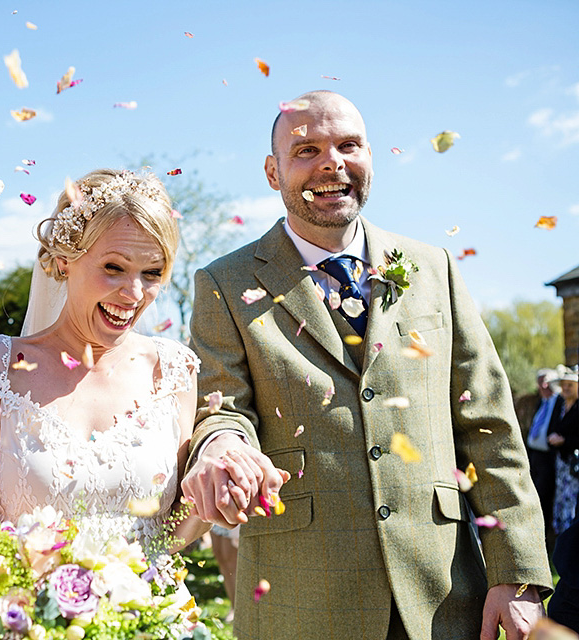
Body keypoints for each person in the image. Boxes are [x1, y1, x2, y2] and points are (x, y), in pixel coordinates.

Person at [181, 91, 552, 640]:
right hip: (299, 600)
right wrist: (222, 446)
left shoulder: (435, 269)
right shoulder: (225, 284)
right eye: (306, 149)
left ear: (370, 157)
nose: (331, 162)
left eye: (347, 145)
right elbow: (220, 409)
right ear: (271, 170)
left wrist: (517, 576)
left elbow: (489, 425)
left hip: (445, 596)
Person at [0, 169, 214, 571]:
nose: (135, 293)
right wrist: (6, 606)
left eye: (152, 272)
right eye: (113, 267)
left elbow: (176, 530)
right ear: (64, 260)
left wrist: (211, 498)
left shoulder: (174, 371)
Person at [517, 368, 561, 549]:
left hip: (549, 459)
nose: (544, 385)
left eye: (548, 381)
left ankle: (543, 543)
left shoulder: (559, 402)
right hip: (535, 457)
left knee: (543, 499)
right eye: (541, 381)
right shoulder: (540, 403)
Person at [548, 365, 578, 535]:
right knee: (560, 501)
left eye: (570, 385)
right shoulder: (559, 405)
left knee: (572, 503)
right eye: (564, 385)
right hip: (561, 464)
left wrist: (564, 441)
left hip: (575, 466)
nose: (566, 388)